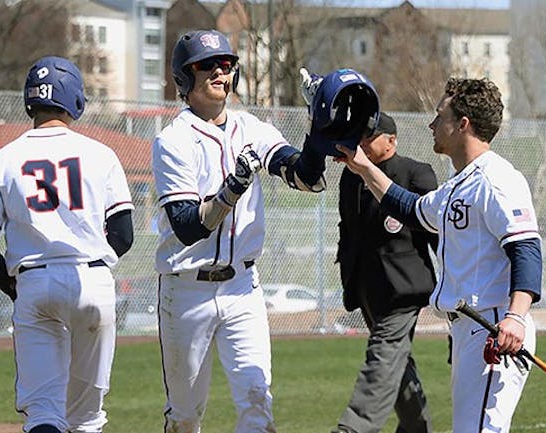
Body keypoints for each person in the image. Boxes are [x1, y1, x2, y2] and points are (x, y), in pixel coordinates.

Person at [151, 30, 379, 433]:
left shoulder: (250, 127)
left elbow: (305, 176)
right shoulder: (172, 140)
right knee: (186, 417)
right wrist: (232, 189)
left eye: (227, 63)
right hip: (188, 289)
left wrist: (318, 128)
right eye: (210, 64)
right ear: (184, 78)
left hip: (243, 287)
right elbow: (188, 227)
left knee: (258, 404)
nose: (222, 70)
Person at [335, 77, 542, 433]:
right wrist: (364, 167)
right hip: (470, 330)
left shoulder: (497, 180)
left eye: (439, 115)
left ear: (463, 124)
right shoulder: (458, 185)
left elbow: (526, 248)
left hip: (495, 328)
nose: (432, 124)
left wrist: (516, 318)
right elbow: (412, 209)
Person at [0, 56, 135, 433]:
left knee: (44, 411)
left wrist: (12, 284)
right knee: (87, 418)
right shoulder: (101, 154)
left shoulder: (1, 160)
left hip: (35, 282)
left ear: (30, 100)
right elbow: (123, 236)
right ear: (75, 99)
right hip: (92, 281)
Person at [332, 112, 439, 433]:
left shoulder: (416, 173)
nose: (361, 142)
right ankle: (417, 428)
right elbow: (349, 229)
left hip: (404, 287)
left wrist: (457, 283)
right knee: (397, 360)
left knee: (382, 354)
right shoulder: (351, 176)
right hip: (365, 286)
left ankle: (355, 427)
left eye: (369, 136)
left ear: (391, 140)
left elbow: (438, 236)